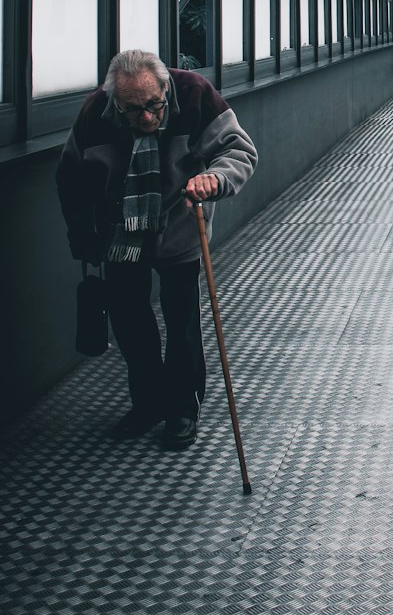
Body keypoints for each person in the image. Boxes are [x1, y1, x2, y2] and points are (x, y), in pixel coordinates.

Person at [56, 50, 257, 448]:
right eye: (133, 110)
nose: (146, 118)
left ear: (166, 87)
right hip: (121, 235)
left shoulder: (196, 94)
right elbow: (71, 176)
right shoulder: (96, 113)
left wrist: (214, 179)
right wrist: (84, 237)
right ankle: (148, 404)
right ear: (116, 101)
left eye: (154, 105)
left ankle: (183, 408)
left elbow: (239, 151)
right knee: (131, 325)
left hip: (180, 225)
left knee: (181, 323)